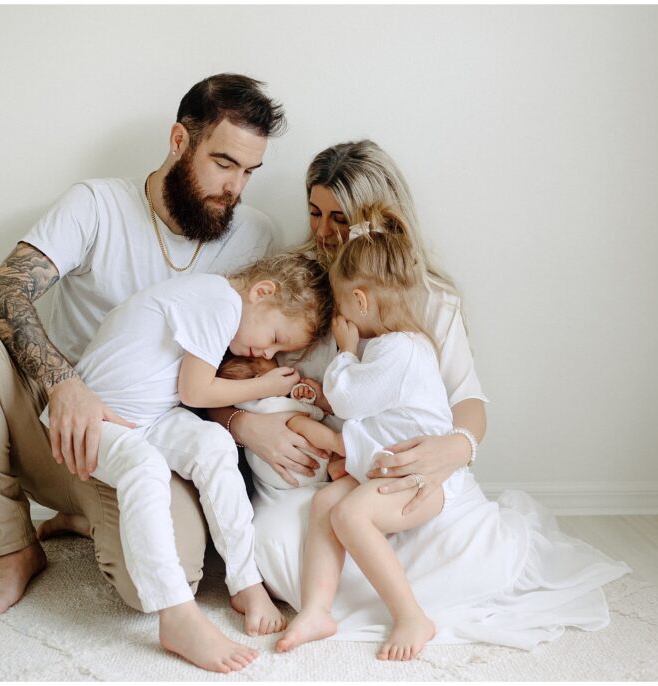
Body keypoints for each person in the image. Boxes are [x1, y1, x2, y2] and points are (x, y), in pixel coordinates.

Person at [215, 140, 630, 652]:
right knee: (278, 538)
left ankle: (403, 608)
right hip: (333, 469)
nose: (323, 232)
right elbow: (222, 371)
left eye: (339, 218)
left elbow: (469, 401)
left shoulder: (427, 299)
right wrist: (242, 422)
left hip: (400, 467)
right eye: (314, 212)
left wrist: (454, 449)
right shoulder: (295, 283)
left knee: (455, 543)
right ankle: (330, 605)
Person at [0, 73, 286, 619]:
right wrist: (64, 384)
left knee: (168, 585)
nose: (235, 187)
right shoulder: (97, 204)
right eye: (224, 164)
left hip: (150, 445)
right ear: (180, 141)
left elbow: (237, 363)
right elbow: (2, 294)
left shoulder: (254, 235)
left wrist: (242, 424)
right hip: (56, 429)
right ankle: (13, 548)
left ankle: (84, 519)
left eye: (250, 171)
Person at [46, 252, 331, 672]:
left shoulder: (225, 304)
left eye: (278, 351)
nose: (268, 352)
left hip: (151, 417)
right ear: (262, 292)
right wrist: (264, 383)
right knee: (146, 468)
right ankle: (175, 614)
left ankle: (245, 581)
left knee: (215, 443)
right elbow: (195, 391)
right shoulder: (219, 299)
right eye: (274, 337)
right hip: (100, 417)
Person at [277, 219, 474, 661]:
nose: (341, 317)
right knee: (324, 505)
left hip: (424, 480)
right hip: (391, 464)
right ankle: (316, 609)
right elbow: (380, 418)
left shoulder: (399, 351)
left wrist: (346, 351)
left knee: (349, 515)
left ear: (360, 300)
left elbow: (348, 400)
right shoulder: (399, 347)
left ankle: (409, 615)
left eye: (344, 304)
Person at [216, 355, 329, 489]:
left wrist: (296, 396)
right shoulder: (269, 404)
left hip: (274, 477)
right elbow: (298, 410)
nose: (271, 356)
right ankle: (335, 443)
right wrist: (318, 410)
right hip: (301, 468)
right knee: (298, 421)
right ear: (259, 379)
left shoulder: (242, 405)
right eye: (276, 368)